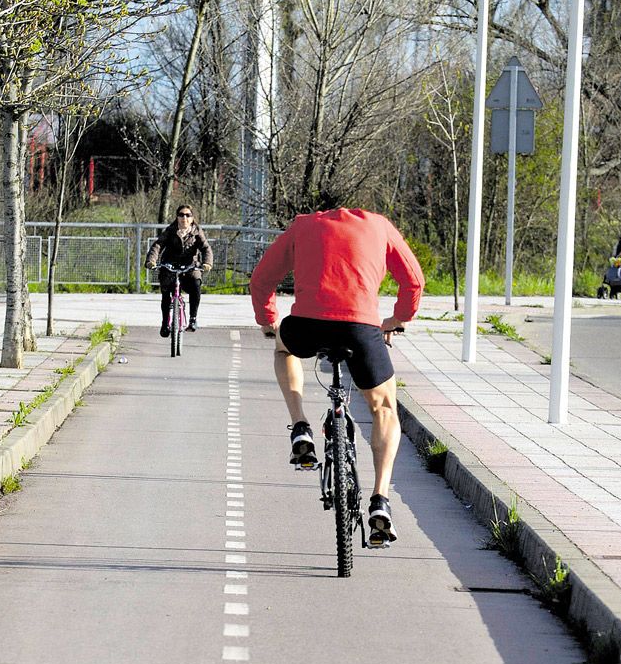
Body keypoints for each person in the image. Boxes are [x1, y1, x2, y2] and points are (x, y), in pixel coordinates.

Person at [250, 207, 424, 548]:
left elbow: (262, 279)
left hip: (308, 325)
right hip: (361, 329)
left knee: (284, 347)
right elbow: (413, 281)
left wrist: (268, 319)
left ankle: (300, 425)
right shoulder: (381, 226)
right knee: (384, 408)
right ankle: (380, 499)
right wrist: (397, 319)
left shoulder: (303, 226)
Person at [145, 205, 212, 336]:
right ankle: (165, 323)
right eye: (181, 215)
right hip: (170, 265)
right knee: (166, 293)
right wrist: (151, 260)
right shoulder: (170, 230)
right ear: (177, 217)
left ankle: (193, 319)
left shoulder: (197, 232)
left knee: (196, 284)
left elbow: (206, 248)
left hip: (189, 266)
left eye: (188, 215)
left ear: (192, 218)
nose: (184, 218)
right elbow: (158, 245)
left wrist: (207, 263)